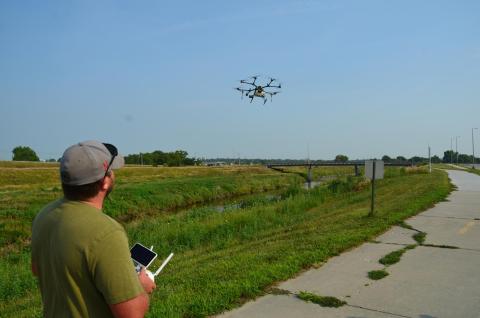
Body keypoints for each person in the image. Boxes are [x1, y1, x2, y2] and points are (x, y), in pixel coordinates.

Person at [31, 140, 155, 318]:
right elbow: (132, 313)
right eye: (111, 171)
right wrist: (141, 287)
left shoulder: (44, 215)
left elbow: (37, 269)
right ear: (105, 182)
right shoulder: (107, 232)